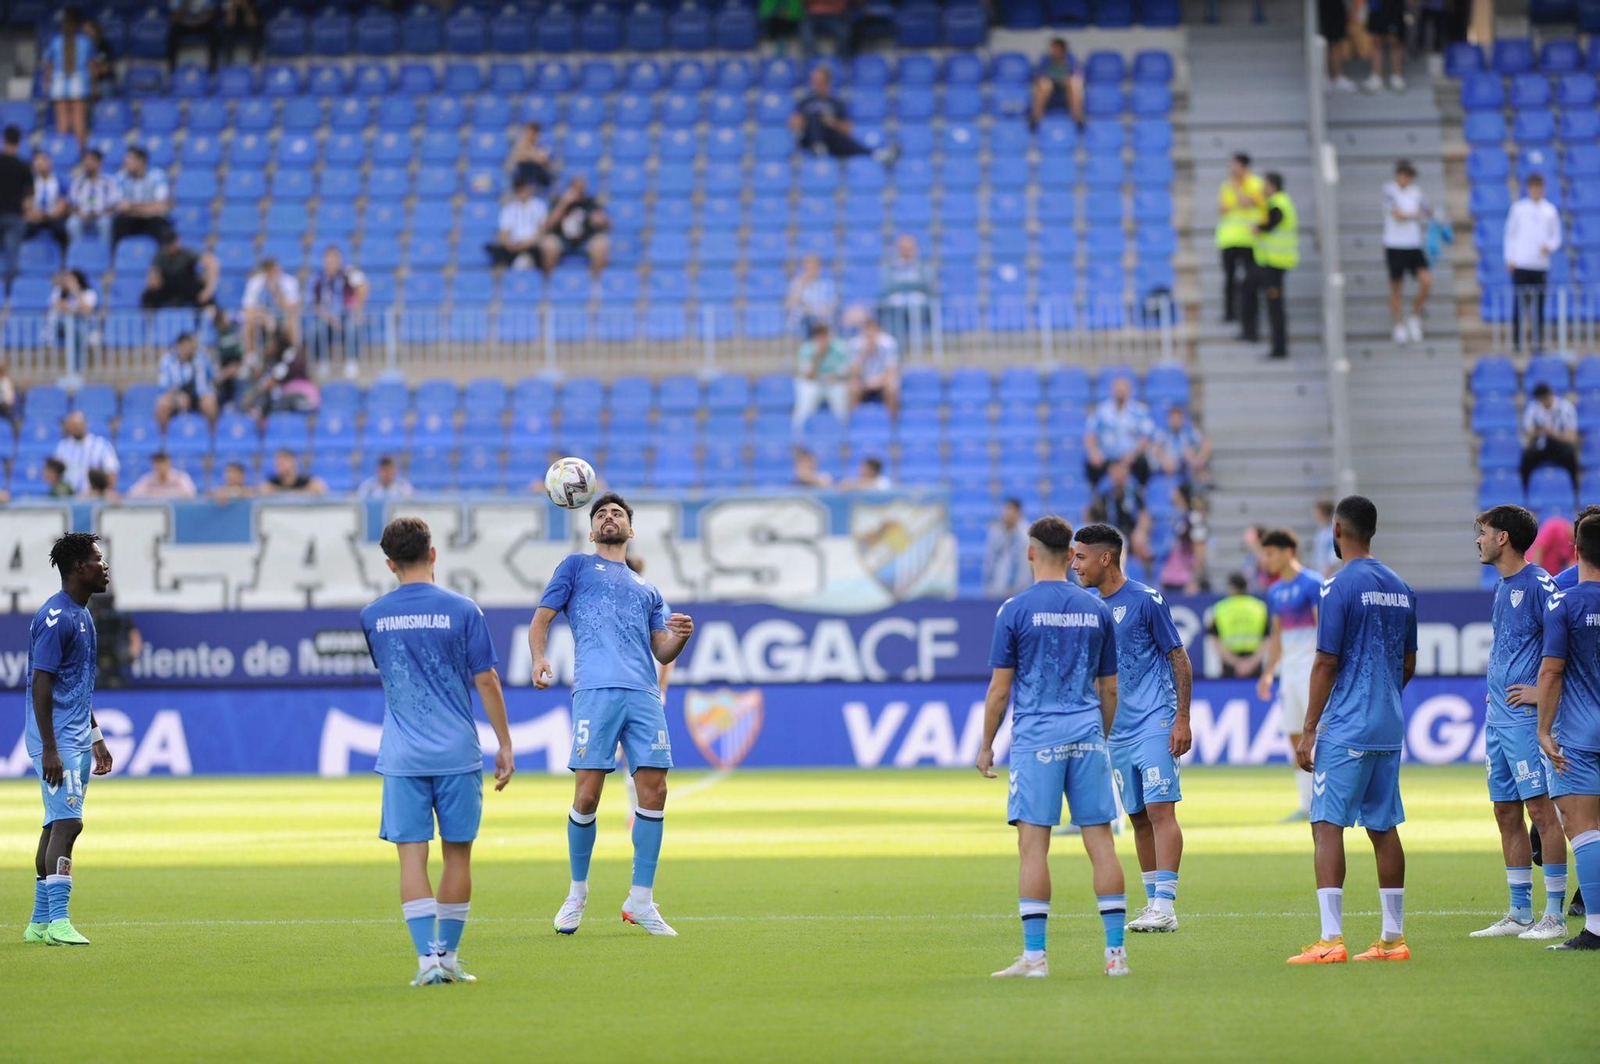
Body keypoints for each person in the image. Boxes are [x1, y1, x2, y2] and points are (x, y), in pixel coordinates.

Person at [529, 493, 696, 937]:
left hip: (642, 695)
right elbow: (541, 619)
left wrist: (679, 638)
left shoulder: (648, 590)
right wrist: (539, 658)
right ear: (591, 529)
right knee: (587, 796)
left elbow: (661, 649)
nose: (609, 518)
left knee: (655, 791)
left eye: (617, 513)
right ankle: (577, 893)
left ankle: (640, 900)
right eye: (600, 514)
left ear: (631, 529)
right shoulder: (576, 567)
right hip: (595, 691)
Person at [360, 517, 515, 985]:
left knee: (411, 858)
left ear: (389, 563)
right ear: (433, 553)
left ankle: (425, 961)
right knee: (458, 857)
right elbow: (485, 679)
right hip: (456, 752)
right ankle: (447, 959)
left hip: (403, 755)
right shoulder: (464, 610)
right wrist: (505, 743)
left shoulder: (372, 616)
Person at [976, 515, 1128, 979]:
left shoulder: (1015, 610)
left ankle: (1036, 958)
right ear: (1070, 555)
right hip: (1086, 735)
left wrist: (986, 744)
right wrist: (1098, 736)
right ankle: (1116, 957)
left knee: (1033, 847)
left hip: (1037, 739)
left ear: (1030, 552)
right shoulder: (1097, 609)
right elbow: (1110, 691)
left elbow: (1000, 691)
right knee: (1101, 843)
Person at [1287, 495, 1417, 964]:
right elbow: (1408, 661)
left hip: (1347, 726)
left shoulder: (1337, 586)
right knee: (1383, 827)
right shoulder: (1401, 586)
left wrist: (1309, 729)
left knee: (1326, 825)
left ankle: (1330, 940)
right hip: (1388, 724)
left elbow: (1325, 661)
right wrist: (1381, 696)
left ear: (1338, 532)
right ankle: (1392, 940)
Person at [1071, 523, 1193, 934]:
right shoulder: (1088, 607)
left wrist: (1182, 718)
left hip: (1156, 719)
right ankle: (1152, 904)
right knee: (1138, 816)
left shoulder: (1145, 600)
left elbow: (1179, 657)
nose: (1075, 565)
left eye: (1081, 557)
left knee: (1160, 810)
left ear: (1106, 557)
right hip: (1118, 730)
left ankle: (1166, 905)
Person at [1470, 505, 1569, 940]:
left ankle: (1555, 915)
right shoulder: (1501, 587)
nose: (1478, 539)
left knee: (1542, 813)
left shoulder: (1540, 584)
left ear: (1503, 538)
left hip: (1527, 722)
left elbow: (1567, 648)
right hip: (1498, 720)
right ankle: (1519, 912)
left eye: (1484, 531)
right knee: (1505, 811)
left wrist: (1540, 692)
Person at [21, 532, 114, 947]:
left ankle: (39, 923)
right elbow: (42, 683)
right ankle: (59, 921)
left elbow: (78, 685)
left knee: (54, 823)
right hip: (57, 739)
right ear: (79, 567)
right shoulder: (56, 618)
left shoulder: (82, 615)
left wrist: (96, 736)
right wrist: (51, 748)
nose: (104, 564)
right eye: (97, 558)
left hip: (75, 736)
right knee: (70, 823)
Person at [1534, 512, 1600, 950]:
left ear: (1575, 551)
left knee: (1583, 825)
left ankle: (1595, 928)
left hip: (1579, 733)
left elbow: (1552, 672)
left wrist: (1543, 729)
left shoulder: (1566, 601)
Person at [1257, 528, 1324, 821]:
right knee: (1295, 738)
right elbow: (1277, 636)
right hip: (1290, 673)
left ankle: (1326, 800)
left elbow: (1324, 628)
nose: (1266, 560)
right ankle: (1306, 804)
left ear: (1288, 552)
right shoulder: (1274, 592)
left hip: (1313, 668)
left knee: (1319, 735)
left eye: (1271, 553)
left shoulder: (1312, 583)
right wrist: (1268, 672)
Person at [1240, 172, 1297, 360]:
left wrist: (1258, 228)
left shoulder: (1278, 204)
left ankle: (1279, 348)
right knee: (1248, 287)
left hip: (1275, 265)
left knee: (1275, 307)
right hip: (1269, 263)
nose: (1263, 189)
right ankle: (1251, 331)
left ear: (1272, 186)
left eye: (1265, 185)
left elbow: (1272, 221)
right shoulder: (1277, 202)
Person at [1504, 174, 1562, 353]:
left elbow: (1556, 237)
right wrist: (1510, 258)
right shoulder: (1518, 208)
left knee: (1539, 306)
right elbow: (1510, 234)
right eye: (1532, 187)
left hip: (1540, 265)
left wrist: (1549, 246)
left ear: (1543, 189)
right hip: (1521, 263)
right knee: (1520, 304)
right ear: (1528, 188)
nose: (1536, 190)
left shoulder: (1550, 210)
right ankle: (1517, 343)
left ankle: (1537, 343)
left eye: (1539, 187)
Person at [790, 66, 896, 164]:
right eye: (814, 81)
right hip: (808, 139)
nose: (815, 85)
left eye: (819, 82)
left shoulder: (836, 103)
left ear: (828, 82)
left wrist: (832, 122)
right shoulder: (805, 102)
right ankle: (817, 146)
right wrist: (798, 122)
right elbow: (793, 124)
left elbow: (848, 130)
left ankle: (877, 155)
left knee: (843, 140)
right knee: (815, 117)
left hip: (831, 140)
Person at [1382, 161, 1433, 345]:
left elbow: (1428, 210)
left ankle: (1414, 316)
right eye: (1403, 175)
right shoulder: (1389, 190)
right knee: (1396, 287)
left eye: (1408, 176)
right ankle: (1398, 325)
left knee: (1427, 281)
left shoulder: (1416, 193)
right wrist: (1416, 214)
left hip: (1413, 244)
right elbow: (1397, 215)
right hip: (1395, 245)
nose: (1405, 179)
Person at [1216, 152, 1265, 324]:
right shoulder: (1225, 185)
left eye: (1235, 165)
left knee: (1250, 279)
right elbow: (1222, 209)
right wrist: (1235, 202)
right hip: (1229, 238)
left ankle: (1252, 314)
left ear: (1244, 166)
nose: (1231, 169)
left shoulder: (1256, 183)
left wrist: (1236, 190)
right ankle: (1230, 313)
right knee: (1229, 278)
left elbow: (1245, 203)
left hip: (1249, 239)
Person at [1084, 375, 1154, 485]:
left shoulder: (1140, 411)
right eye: (1118, 389)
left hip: (1131, 459)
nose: (1120, 392)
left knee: (1143, 464)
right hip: (1107, 459)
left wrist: (1133, 455)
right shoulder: (1101, 411)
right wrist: (1094, 452)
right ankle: (1098, 498)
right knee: (1090, 465)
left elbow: (1146, 437)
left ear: (1129, 391)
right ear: (1112, 390)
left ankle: (1140, 497)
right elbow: (1090, 435)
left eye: (1123, 389)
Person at [308, 245, 367, 373]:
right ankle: (323, 361)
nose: (330, 264)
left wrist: (357, 308)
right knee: (315, 329)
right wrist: (328, 317)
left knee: (352, 325)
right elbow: (316, 305)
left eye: (333, 260)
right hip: (328, 316)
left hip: (347, 313)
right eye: (328, 261)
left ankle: (352, 360)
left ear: (339, 261)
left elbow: (363, 287)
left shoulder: (348, 273)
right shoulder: (320, 280)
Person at [538, 177, 609, 279]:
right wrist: (564, 204)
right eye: (576, 188)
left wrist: (602, 220)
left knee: (601, 244)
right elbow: (549, 225)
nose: (578, 191)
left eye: (581, 188)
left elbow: (607, 222)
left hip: (585, 241)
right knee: (548, 244)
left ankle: (596, 283)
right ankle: (549, 281)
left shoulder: (590, 203)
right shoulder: (559, 201)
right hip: (563, 240)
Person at [42, 8, 93, 150]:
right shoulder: (86, 41)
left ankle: (63, 154)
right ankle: (80, 156)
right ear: (78, 24)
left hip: (59, 81)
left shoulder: (55, 41)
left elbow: (49, 66)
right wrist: (94, 85)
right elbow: (91, 65)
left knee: (62, 124)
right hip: (79, 82)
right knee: (78, 122)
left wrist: (46, 84)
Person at [792, 320, 851, 431]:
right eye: (819, 335)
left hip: (834, 383)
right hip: (813, 382)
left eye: (824, 334)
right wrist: (817, 356)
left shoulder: (840, 347)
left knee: (840, 401)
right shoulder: (806, 349)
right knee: (803, 406)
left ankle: (844, 434)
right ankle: (798, 436)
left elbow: (846, 372)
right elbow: (809, 376)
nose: (822, 338)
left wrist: (835, 377)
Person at [878, 234, 933, 350]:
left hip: (921, 308)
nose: (906, 252)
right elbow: (888, 286)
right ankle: (898, 350)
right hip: (897, 307)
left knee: (916, 311)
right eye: (903, 249)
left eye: (909, 249)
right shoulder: (891, 267)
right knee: (894, 314)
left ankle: (918, 349)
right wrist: (912, 285)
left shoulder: (923, 266)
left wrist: (902, 285)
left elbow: (927, 285)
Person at [1520, 382, 1579, 490]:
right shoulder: (1533, 408)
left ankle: (1575, 490)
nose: (1543, 402)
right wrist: (1537, 432)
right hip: (1541, 446)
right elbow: (1528, 436)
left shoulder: (1565, 408)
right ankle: (1525, 492)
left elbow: (1572, 438)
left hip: (1560, 446)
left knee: (1571, 457)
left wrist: (1552, 433)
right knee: (1526, 458)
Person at [1208, 573, 1268, 678]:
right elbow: (1267, 639)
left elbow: (1215, 642)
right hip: (1255, 666)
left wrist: (1237, 663)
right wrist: (1250, 663)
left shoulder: (1220, 608)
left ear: (1231, 587)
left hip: (1229, 666)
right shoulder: (1260, 607)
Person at [111, 146, 172, 248]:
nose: (126, 163)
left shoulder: (158, 176)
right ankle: (114, 258)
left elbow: (161, 207)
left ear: (141, 162)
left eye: (130, 160)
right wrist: (147, 208)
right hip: (130, 219)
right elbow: (120, 207)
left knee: (162, 225)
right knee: (117, 222)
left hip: (151, 219)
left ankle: (163, 260)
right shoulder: (121, 177)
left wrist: (132, 207)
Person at [155, 331, 218, 427]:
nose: (193, 347)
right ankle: (162, 440)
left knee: (210, 402)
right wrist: (177, 396)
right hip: (176, 396)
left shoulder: (202, 358)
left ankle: (213, 438)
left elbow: (213, 379)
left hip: (199, 397)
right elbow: (163, 387)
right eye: (189, 344)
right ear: (181, 346)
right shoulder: (167, 361)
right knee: (163, 404)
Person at [141, 231, 218, 309]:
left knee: (206, 300)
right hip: (168, 288)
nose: (171, 247)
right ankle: (148, 320)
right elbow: (152, 275)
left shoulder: (186, 253)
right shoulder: (160, 256)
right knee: (149, 296)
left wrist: (208, 290)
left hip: (188, 286)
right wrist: (154, 281)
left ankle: (217, 319)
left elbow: (210, 263)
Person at [485, 178, 548, 271]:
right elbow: (504, 233)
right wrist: (508, 244)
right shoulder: (509, 209)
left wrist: (527, 243)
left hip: (532, 244)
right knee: (493, 247)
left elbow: (542, 230)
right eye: (519, 190)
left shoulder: (539, 206)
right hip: (513, 245)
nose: (522, 193)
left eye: (524, 189)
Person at [241, 258, 301, 356]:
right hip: (263, 318)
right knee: (249, 320)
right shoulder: (256, 282)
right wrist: (264, 315)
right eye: (267, 270)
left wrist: (277, 292)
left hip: (283, 317)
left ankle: (292, 354)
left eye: (272, 269)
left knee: (292, 320)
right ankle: (251, 357)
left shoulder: (289, 282)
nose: (270, 273)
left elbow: (293, 308)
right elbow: (248, 307)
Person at [0, 126, 33, 294]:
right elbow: (29, 196)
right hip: (14, 216)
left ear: (4, 139)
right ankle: (8, 295)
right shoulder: (23, 166)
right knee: (12, 257)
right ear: (19, 142)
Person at [52, 411, 118, 494]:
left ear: (86, 424)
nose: (75, 428)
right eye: (72, 425)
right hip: (68, 497)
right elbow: (54, 473)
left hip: (93, 497)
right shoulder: (63, 446)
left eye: (78, 424)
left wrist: (106, 491)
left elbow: (111, 471)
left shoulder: (101, 445)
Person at [88, 591, 141, 689]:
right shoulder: (85, 615)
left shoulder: (121, 616)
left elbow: (135, 637)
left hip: (117, 659)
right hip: (93, 659)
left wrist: (131, 654)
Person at [66, 147, 118, 247]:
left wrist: (99, 213)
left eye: (92, 160)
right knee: (72, 223)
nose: (88, 163)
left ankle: (104, 251)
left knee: (104, 222)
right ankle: (78, 251)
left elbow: (113, 206)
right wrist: (80, 214)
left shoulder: (109, 182)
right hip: (82, 215)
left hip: (102, 215)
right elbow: (72, 204)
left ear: (100, 162)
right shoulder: (78, 182)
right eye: (86, 160)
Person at [48, 268, 98, 372]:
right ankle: (75, 368)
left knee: (79, 329)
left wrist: (76, 292)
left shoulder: (89, 292)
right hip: (60, 324)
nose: (67, 282)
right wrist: (73, 307)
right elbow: (57, 305)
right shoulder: (59, 291)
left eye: (70, 280)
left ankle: (77, 368)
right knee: (71, 325)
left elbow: (87, 308)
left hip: (80, 324)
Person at [1030, 37, 1085, 130]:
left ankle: (1077, 119)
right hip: (1049, 91)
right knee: (1044, 84)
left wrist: (1064, 78)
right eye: (1052, 49)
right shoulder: (1045, 60)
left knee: (1074, 83)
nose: (1053, 52)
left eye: (1056, 49)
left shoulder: (1071, 59)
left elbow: (1079, 75)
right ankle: (1036, 119)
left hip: (1066, 91)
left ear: (1063, 50)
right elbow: (1037, 77)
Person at [849, 314, 899, 416]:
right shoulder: (855, 345)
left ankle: (892, 423)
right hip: (863, 381)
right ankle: (853, 422)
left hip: (882, 381)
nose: (870, 334)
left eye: (873, 331)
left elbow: (891, 372)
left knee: (892, 388)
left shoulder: (889, 344)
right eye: (867, 331)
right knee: (852, 387)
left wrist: (877, 382)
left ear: (878, 331)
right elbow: (854, 374)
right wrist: (864, 354)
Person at [1151, 404, 1211, 487]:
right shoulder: (1163, 434)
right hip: (1169, 464)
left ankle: (1201, 487)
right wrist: (1163, 460)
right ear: (1168, 420)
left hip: (1186, 464)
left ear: (1183, 419)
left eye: (1178, 419)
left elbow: (1206, 445)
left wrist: (1199, 459)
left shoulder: (1189, 432)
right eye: (1173, 419)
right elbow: (1155, 449)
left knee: (1189, 453)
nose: (1176, 421)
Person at [983, 498, 1031, 598]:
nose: (1007, 514)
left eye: (1011, 510)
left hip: (1019, 592)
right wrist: (988, 585)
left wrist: (1017, 588)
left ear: (1019, 513)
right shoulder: (996, 532)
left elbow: (1024, 566)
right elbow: (990, 560)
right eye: (1006, 509)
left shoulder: (1026, 535)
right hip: (996, 590)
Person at [25, 153, 69, 259]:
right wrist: (33, 215)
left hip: (53, 217)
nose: (39, 165)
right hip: (35, 217)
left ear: (49, 163)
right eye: (37, 162)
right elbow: (27, 204)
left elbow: (62, 205)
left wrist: (46, 215)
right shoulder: (30, 182)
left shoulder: (60, 181)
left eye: (42, 162)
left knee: (61, 229)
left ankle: (63, 261)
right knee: (21, 228)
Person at [785, 253, 836, 336]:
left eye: (813, 267)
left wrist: (813, 311)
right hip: (799, 323)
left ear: (819, 268)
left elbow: (830, 308)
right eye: (807, 268)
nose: (810, 271)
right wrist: (801, 287)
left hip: (819, 322)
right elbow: (789, 305)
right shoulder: (797, 284)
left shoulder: (826, 286)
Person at [1363, 0, 1407, 92]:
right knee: (1377, 42)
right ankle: (1377, 76)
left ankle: (1397, 76)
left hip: (1394, 8)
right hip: (1377, 7)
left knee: (1395, 41)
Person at [167, 0, 222, 72]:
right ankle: (172, 67)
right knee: (173, 30)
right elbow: (175, 17)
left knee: (214, 29)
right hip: (185, 23)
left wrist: (198, 22)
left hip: (201, 22)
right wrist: (186, 4)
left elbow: (211, 14)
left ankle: (212, 67)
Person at [1318, 0, 1357, 91]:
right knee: (1322, 43)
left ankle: (1338, 76)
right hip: (1321, 8)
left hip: (1336, 7)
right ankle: (1324, 76)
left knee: (1336, 42)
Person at [126, 450, 196, 500]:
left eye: (162, 462)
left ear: (168, 463)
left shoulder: (180, 477)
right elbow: (132, 494)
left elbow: (191, 493)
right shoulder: (148, 479)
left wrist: (166, 495)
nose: (160, 466)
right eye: (157, 463)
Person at [507, 122, 554, 193]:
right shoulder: (520, 145)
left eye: (531, 132)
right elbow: (517, 157)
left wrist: (529, 155)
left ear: (536, 134)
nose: (528, 134)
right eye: (527, 132)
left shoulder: (542, 144)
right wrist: (534, 155)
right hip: (523, 174)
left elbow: (543, 160)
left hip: (539, 175)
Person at [1311, 499, 1340, 578]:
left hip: (1328, 576)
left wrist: (1325, 576)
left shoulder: (1332, 531)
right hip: (1319, 574)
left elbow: (1333, 558)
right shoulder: (1320, 529)